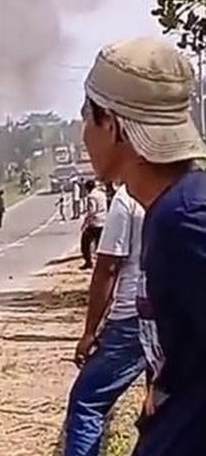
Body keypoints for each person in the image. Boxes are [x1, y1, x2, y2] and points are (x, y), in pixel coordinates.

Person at [82, 37, 206, 455]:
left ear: (113, 126)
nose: (82, 133)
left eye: (86, 116)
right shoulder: (163, 212)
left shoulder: (185, 221)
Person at [63, 184, 147, 456]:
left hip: (132, 317)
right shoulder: (186, 187)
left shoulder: (127, 198)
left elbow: (108, 268)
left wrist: (90, 332)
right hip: (175, 314)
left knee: (87, 402)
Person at [80, 180, 107, 270]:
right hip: (103, 220)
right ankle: (101, 264)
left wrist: (85, 223)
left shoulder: (91, 197)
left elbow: (92, 211)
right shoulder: (102, 194)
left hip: (95, 223)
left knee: (85, 244)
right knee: (99, 244)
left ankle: (88, 262)